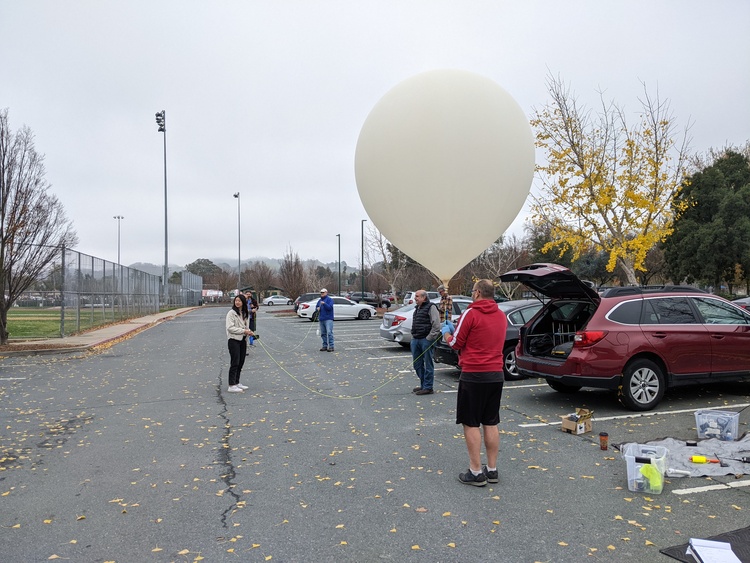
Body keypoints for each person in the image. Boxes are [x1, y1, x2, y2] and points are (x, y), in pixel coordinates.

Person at [442, 279, 507, 486]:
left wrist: (446, 333)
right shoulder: (501, 315)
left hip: (474, 374)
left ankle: (476, 471)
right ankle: (492, 469)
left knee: (470, 422)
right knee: (490, 420)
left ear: (478, 293)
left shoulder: (471, 313)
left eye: (472, 291)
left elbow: (456, 342)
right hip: (496, 374)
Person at [410, 289, 441, 395]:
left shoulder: (431, 307)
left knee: (428, 364)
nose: (415, 298)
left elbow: (436, 325)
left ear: (424, 298)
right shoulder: (417, 308)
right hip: (416, 339)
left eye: (417, 296)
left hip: (426, 340)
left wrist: (429, 338)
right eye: (415, 296)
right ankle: (424, 384)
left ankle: (428, 387)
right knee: (417, 364)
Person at [225, 293, 255, 393]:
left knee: (241, 362)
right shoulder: (231, 313)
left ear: (243, 303)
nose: (237, 302)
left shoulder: (244, 313)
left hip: (243, 340)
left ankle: (237, 382)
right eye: (236, 301)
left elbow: (245, 326)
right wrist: (243, 331)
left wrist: (249, 331)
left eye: (239, 301)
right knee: (235, 362)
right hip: (233, 340)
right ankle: (231, 384)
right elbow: (230, 328)